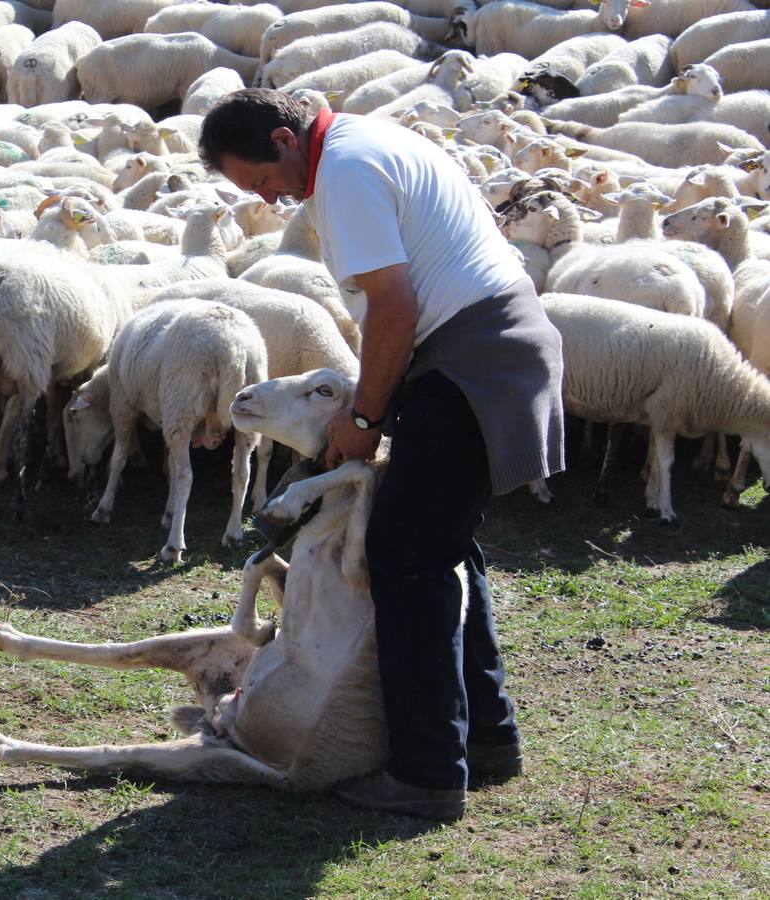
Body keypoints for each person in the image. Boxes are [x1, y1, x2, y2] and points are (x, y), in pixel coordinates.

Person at [199, 90, 565, 821]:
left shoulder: (347, 172)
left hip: (470, 358)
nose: (271, 201)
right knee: (441, 545)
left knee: (406, 556)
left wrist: (365, 416)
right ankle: (486, 739)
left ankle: (429, 772)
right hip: (489, 348)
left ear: (285, 138)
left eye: (265, 181)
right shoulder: (369, 146)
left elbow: (394, 306)